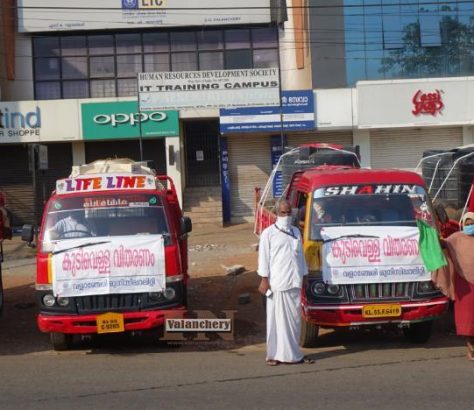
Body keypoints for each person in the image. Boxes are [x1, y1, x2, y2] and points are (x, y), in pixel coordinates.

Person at [257, 199, 311, 366]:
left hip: (295, 282)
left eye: (288, 212)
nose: (286, 216)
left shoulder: (296, 232)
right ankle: (275, 354)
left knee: (294, 322)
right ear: (276, 213)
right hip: (277, 283)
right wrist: (264, 279)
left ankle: (293, 353)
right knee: (276, 321)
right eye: (283, 213)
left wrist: (305, 276)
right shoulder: (268, 233)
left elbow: (300, 256)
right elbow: (264, 258)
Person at [434, 212, 474, 361]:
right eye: (468, 224)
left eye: (472, 223)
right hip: (464, 285)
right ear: (463, 224)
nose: (470, 226)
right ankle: (471, 348)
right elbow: (443, 244)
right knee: (467, 319)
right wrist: (432, 235)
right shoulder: (456, 238)